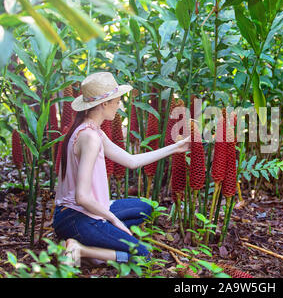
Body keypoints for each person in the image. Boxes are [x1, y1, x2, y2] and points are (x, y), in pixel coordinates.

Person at [52, 71, 190, 266]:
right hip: (74, 218)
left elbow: (131, 161)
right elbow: (81, 197)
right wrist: (114, 220)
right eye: (116, 101)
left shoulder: (91, 130)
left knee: (145, 208)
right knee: (143, 255)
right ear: (104, 104)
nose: (119, 105)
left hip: (84, 213)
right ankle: (82, 249)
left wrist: (176, 147)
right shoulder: (89, 138)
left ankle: (95, 246)